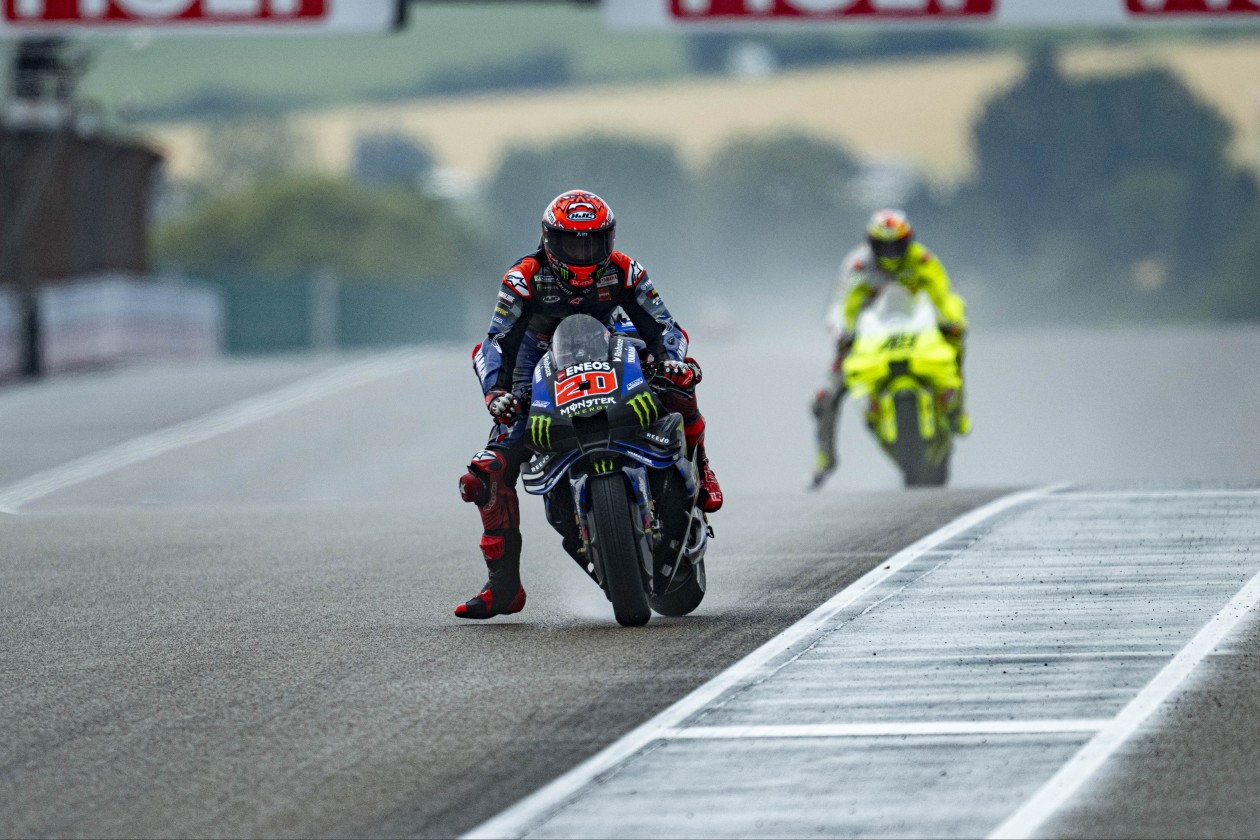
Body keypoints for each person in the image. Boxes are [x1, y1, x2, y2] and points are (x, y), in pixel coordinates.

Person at [455, 189, 723, 620]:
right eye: (571, 243)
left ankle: (702, 466)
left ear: (610, 240)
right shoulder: (523, 277)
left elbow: (665, 326)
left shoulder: (626, 270)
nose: (583, 255)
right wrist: (496, 393)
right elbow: (496, 341)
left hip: (613, 339)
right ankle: (503, 586)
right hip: (537, 358)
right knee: (487, 470)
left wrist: (671, 360)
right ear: (548, 240)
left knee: (680, 380)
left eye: (593, 243)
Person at [810, 208, 969, 489]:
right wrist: (842, 332)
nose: (891, 253)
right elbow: (842, 305)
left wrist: (952, 321)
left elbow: (942, 294)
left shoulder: (922, 260)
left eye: (897, 245)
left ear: (908, 242)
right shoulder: (858, 266)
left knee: (955, 342)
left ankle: (956, 406)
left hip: (915, 332)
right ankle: (826, 457)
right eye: (884, 246)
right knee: (825, 394)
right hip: (870, 339)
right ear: (871, 243)